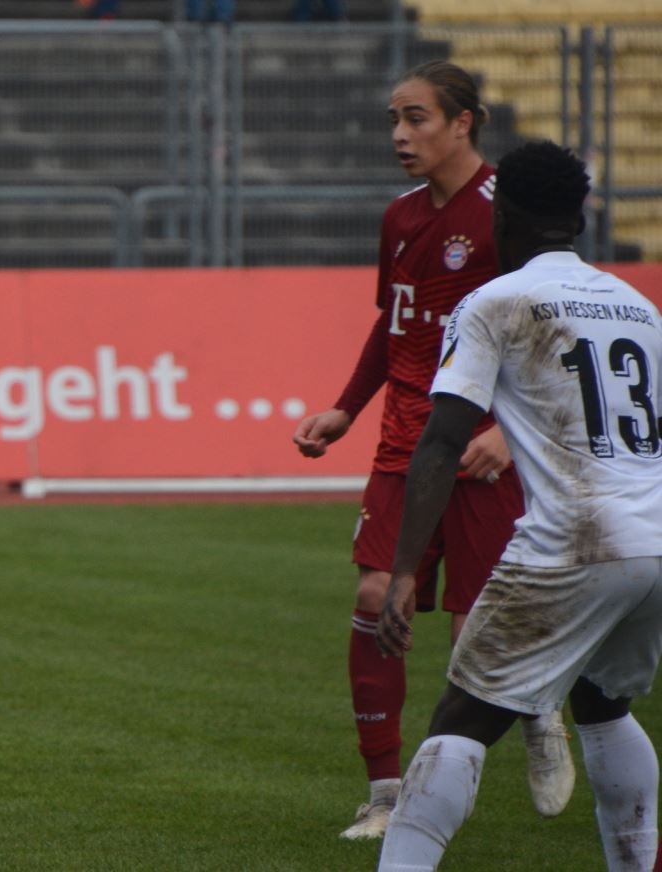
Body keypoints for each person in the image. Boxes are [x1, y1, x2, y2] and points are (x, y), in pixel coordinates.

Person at [291, 60, 574, 840]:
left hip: (483, 449)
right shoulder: (401, 217)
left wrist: (507, 434)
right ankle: (385, 794)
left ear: (465, 122)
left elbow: (548, 338)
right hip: (404, 444)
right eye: (394, 118)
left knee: (474, 634)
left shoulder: (504, 217)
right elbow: (397, 322)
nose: (399, 135)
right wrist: (346, 409)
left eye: (416, 118)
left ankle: (539, 704)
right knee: (375, 599)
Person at [376, 140, 662, 872]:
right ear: (580, 219)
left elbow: (441, 443)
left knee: (460, 719)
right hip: (655, 539)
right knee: (602, 703)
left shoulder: (495, 301)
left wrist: (405, 571)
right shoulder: (639, 307)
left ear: (501, 216)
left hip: (576, 540)